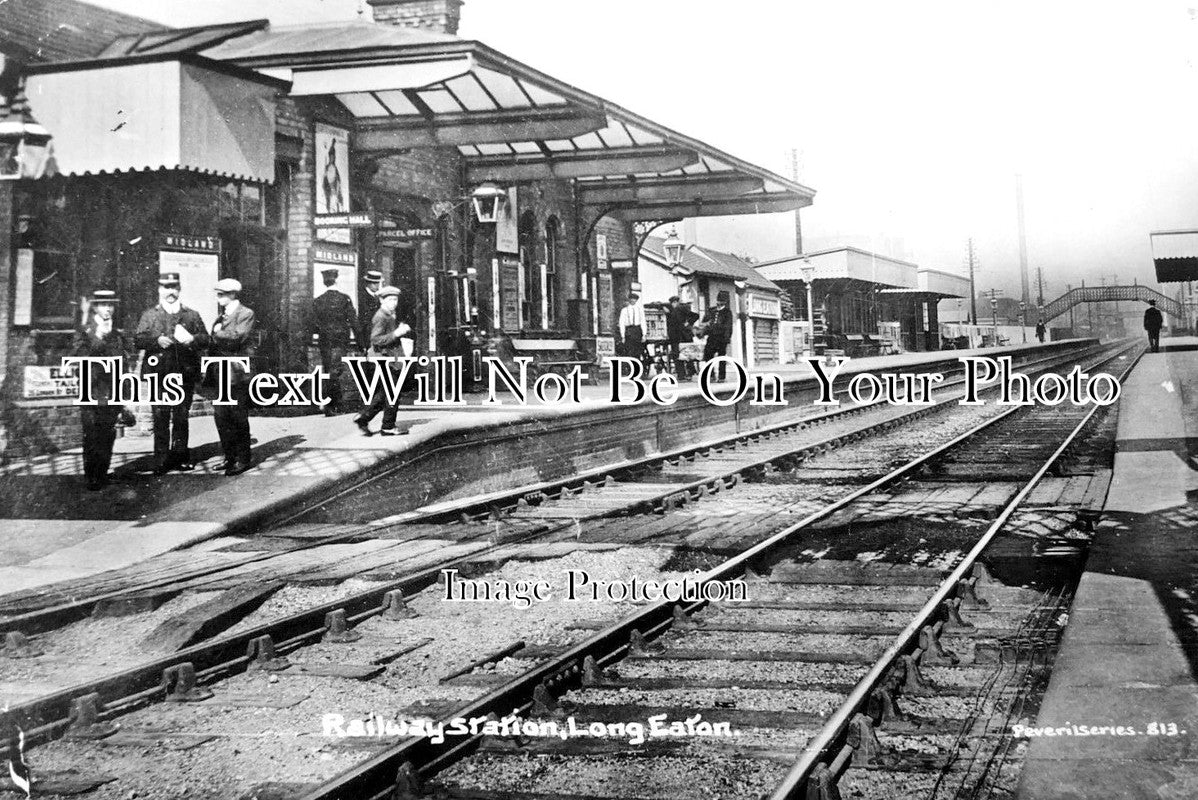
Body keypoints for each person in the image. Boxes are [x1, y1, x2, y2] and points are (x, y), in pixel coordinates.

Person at [135, 272, 209, 475]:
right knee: (160, 415)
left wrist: (192, 339)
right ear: (159, 290)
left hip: (183, 373)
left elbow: (205, 338)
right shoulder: (150, 315)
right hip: (159, 374)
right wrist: (156, 340)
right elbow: (138, 340)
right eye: (166, 287)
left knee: (181, 416)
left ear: (179, 290)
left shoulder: (191, 314)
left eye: (174, 287)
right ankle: (161, 459)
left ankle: (180, 457)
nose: (170, 292)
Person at [72, 289, 130, 490]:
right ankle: (91, 477)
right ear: (95, 306)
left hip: (112, 392)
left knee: (108, 434)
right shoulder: (84, 331)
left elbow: (123, 364)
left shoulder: (116, 333)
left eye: (111, 305)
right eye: (103, 304)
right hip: (92, 391)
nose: (108, 309)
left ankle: (102, 473)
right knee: (91, 435)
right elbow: (79, 358)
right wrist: (97, 337)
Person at [209, 279, 256, 476]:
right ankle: (229, 457)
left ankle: (243, 459)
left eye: (222, 294)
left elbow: (238, 337)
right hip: (221, 372)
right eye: (218, 294)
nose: (218, 298)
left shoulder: (246, 314)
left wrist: (218, 333)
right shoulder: (222, 316)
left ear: (233, 295)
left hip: (236, 374)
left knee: (238, 416)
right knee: (221, 416)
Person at [354, 286, 415, 436]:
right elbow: (376, 339)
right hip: (385, 359)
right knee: (392, 392)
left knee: (386, 393)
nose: (394, 303)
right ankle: (387, 426)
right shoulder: (381, 316)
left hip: (388, 359)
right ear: (382, 300)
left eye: (395, 299)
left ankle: (364, 417)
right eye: (390, 300)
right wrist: (397, 333)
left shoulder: (388, 315)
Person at [310, 267, 357, 416]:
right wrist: (362, 343)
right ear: (336, 280)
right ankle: (333, 404)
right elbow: (354, 321)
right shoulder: (345, 299)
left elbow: (313, 323)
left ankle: (331, 403)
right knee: (336, 370)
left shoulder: (318, 301)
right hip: (340, 340)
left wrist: (315, 335)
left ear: (325, 282)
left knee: (329, 368)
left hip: (325, 340)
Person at [702, 290, 735, 381]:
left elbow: (728, 326)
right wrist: (705, 329)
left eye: (722, 301)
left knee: (721, 357)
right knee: (708, 355)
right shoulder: (711, 310)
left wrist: (727, 338)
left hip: (721, 337)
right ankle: (711, 375)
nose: (719, 302)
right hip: (712, 337)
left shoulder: (727, 312)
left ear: (725, 302)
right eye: (718, 300)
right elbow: (704, 322)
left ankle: (721, 377)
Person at [666, 295, 699, 379]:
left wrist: (688, 323)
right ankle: (681, 374)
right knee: (677, 355)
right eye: (672, 303)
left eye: (674, 303)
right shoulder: (672, 311)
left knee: (686, 354)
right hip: (676, 336)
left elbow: (695, 315)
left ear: (676, 302)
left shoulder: (681, 308)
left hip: (684, 335)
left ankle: (688, 373)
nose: (673, 304)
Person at [357, 269, 384, 354]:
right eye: (375, 283)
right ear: (368, 283)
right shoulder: (362, 297)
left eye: (378, 283)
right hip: (367, 337)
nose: (377, 286)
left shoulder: (377, 297)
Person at [618, 292, 646, 363]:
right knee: (629, 351)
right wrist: (623, 336)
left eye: (635, 299)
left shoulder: (640, 310)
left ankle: (637, 367)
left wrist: (644, 334)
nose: (633, 300)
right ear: (629, 300)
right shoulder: (624, 310)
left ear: (636, 300)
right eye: (632, 299)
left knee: (638, 351)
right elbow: (622, 323)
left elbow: (643, 321)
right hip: (629, 331)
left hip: (637, 330)